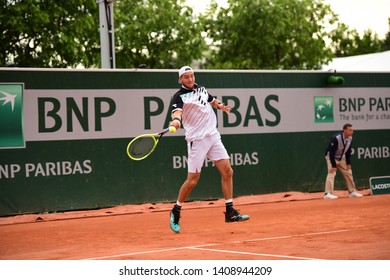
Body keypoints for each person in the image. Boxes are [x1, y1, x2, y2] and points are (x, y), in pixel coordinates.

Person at [169, 66, 249, 233]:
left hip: (213, 136)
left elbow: (212, 100)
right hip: (197, 141)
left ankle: (230, 211)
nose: (190, 79)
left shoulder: (201, 89)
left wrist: (220, 106)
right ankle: (176, 211)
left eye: (191, 76)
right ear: (180, 80)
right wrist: (176, 122)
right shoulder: (179, 97)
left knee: (227, 171)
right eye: (186, 77)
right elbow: (176, 113)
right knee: (192, 180)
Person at [323, 123, 363, 199]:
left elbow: (348, 151)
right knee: (331, 173)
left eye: (352, 130)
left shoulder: (350, 138)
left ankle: (352, 192)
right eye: (350, 130)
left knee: (348, 172)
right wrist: (334, 165)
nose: (352, 131)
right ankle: (327, 193)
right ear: (344, 130)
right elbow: (331, 152)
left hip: (341, 157)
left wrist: (348, 163)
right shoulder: (336, 138)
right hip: (331, 157)